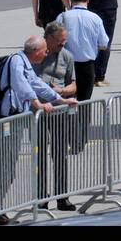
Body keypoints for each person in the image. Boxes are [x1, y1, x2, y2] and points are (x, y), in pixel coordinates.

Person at [0, 36, 77, 225]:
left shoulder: (25, 64)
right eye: (44, 50)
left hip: (15, 121)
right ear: (35, 50)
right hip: (5, 122)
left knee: (8, 170)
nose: (46, 53)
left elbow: (37, 84)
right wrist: (37, 104)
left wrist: (60, 99)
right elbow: (21, 85)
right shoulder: (17, 61)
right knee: (3, 168)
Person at [33, 22, 78, 211]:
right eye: (60, 42)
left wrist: (60, 90)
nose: (63, 45)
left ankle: (62, 195)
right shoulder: (35, 53)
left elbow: (74, 85)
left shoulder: (66, 56)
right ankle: (42, 196)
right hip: (39, 112)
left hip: (59, 112)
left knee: (60, 154)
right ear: (48, 38)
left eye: (64, 41)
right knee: (41, 153)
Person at [57, 0, 109, 103]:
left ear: (72, 0)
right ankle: (85, 120)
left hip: (67, 66)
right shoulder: (95, 18)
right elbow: (104, 44)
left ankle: (70, 120)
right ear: (88, 0)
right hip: (87, 66)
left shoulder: (63, 17)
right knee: (85, 101)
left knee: (68, 100)